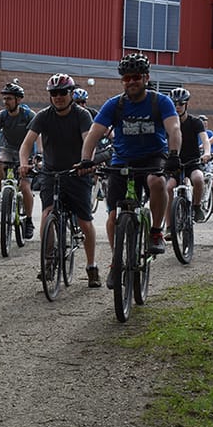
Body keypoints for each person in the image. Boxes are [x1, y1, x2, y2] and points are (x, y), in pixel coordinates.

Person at [78, 53, 182, 289]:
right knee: (113, 216)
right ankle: (116, 262)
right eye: (126, 78)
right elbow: (94, 133)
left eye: (136, 77)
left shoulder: (160, 102)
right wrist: (86, 160)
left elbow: (174, 129)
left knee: (157, 182)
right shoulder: (114, 104)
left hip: (153, 156)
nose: (131, 81)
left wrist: (174, 155)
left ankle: (155, 231)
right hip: (122, 159)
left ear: (146, 78)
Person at [18, 74, 101, 287]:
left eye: (62, 92)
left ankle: (91, 267)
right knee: (47, 214)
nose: (58, 97)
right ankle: (48, 261)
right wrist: (24, 163)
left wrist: (86, 162)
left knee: (84, 221)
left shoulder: (82, 115)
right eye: (54, 93)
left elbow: (88, 141)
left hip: (77, 172)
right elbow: (26, 144)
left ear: (71, 93)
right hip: (51, 173)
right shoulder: (43, 116)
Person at [0, 81, 38, 239]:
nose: (5, 102)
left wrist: (39, 155)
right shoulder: (0, 116)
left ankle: (29, 220)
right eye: (4, 98)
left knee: (25, 186)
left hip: (26, 152)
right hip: (8, 150)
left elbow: (39, 135)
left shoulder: (29, 115)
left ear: (18, 100)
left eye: (9, 98)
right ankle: (3, 194)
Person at [164, 87, 212, 231]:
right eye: (174, 104)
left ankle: (196, 207)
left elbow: (205, 139)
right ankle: (169, 226)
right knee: (169, 188)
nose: (177, 107)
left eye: (181, 104)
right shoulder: (167, 123)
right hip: (174, 162)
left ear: (186, 105)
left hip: (193, 161)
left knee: (198, 178)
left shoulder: (195, 122)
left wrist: (207, 153)